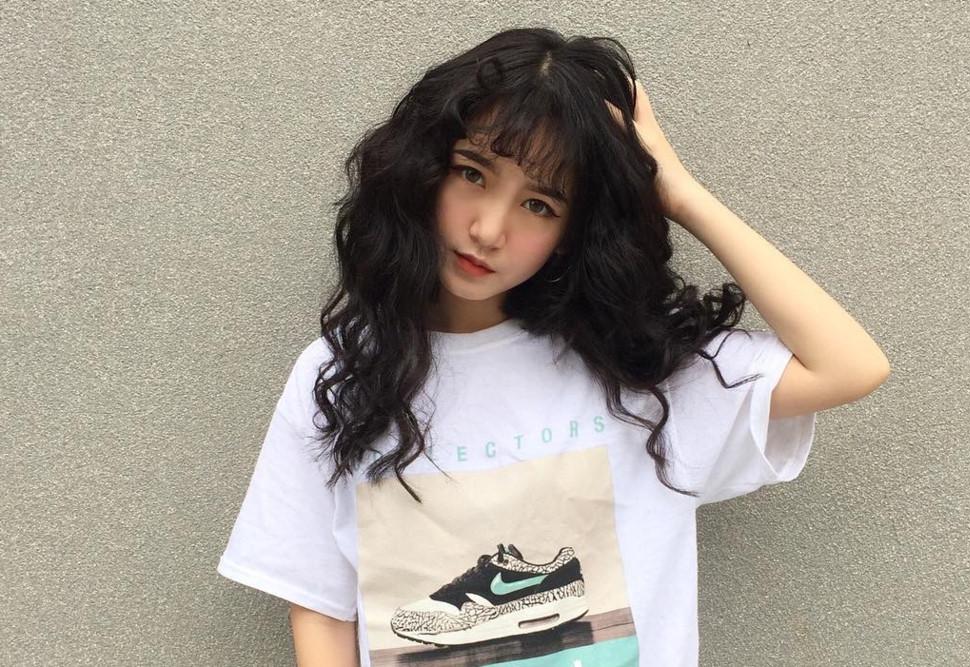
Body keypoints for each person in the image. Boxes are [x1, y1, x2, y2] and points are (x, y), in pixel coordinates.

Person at [216, 27, 890, 667]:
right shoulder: (343, 373)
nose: (489, 229)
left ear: (574, 233)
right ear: (423, 170)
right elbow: (320, 605)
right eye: (472, 173)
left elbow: (849, 365)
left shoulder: (635, 369)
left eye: (539, 205)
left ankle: (527, 583)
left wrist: (679, 194)